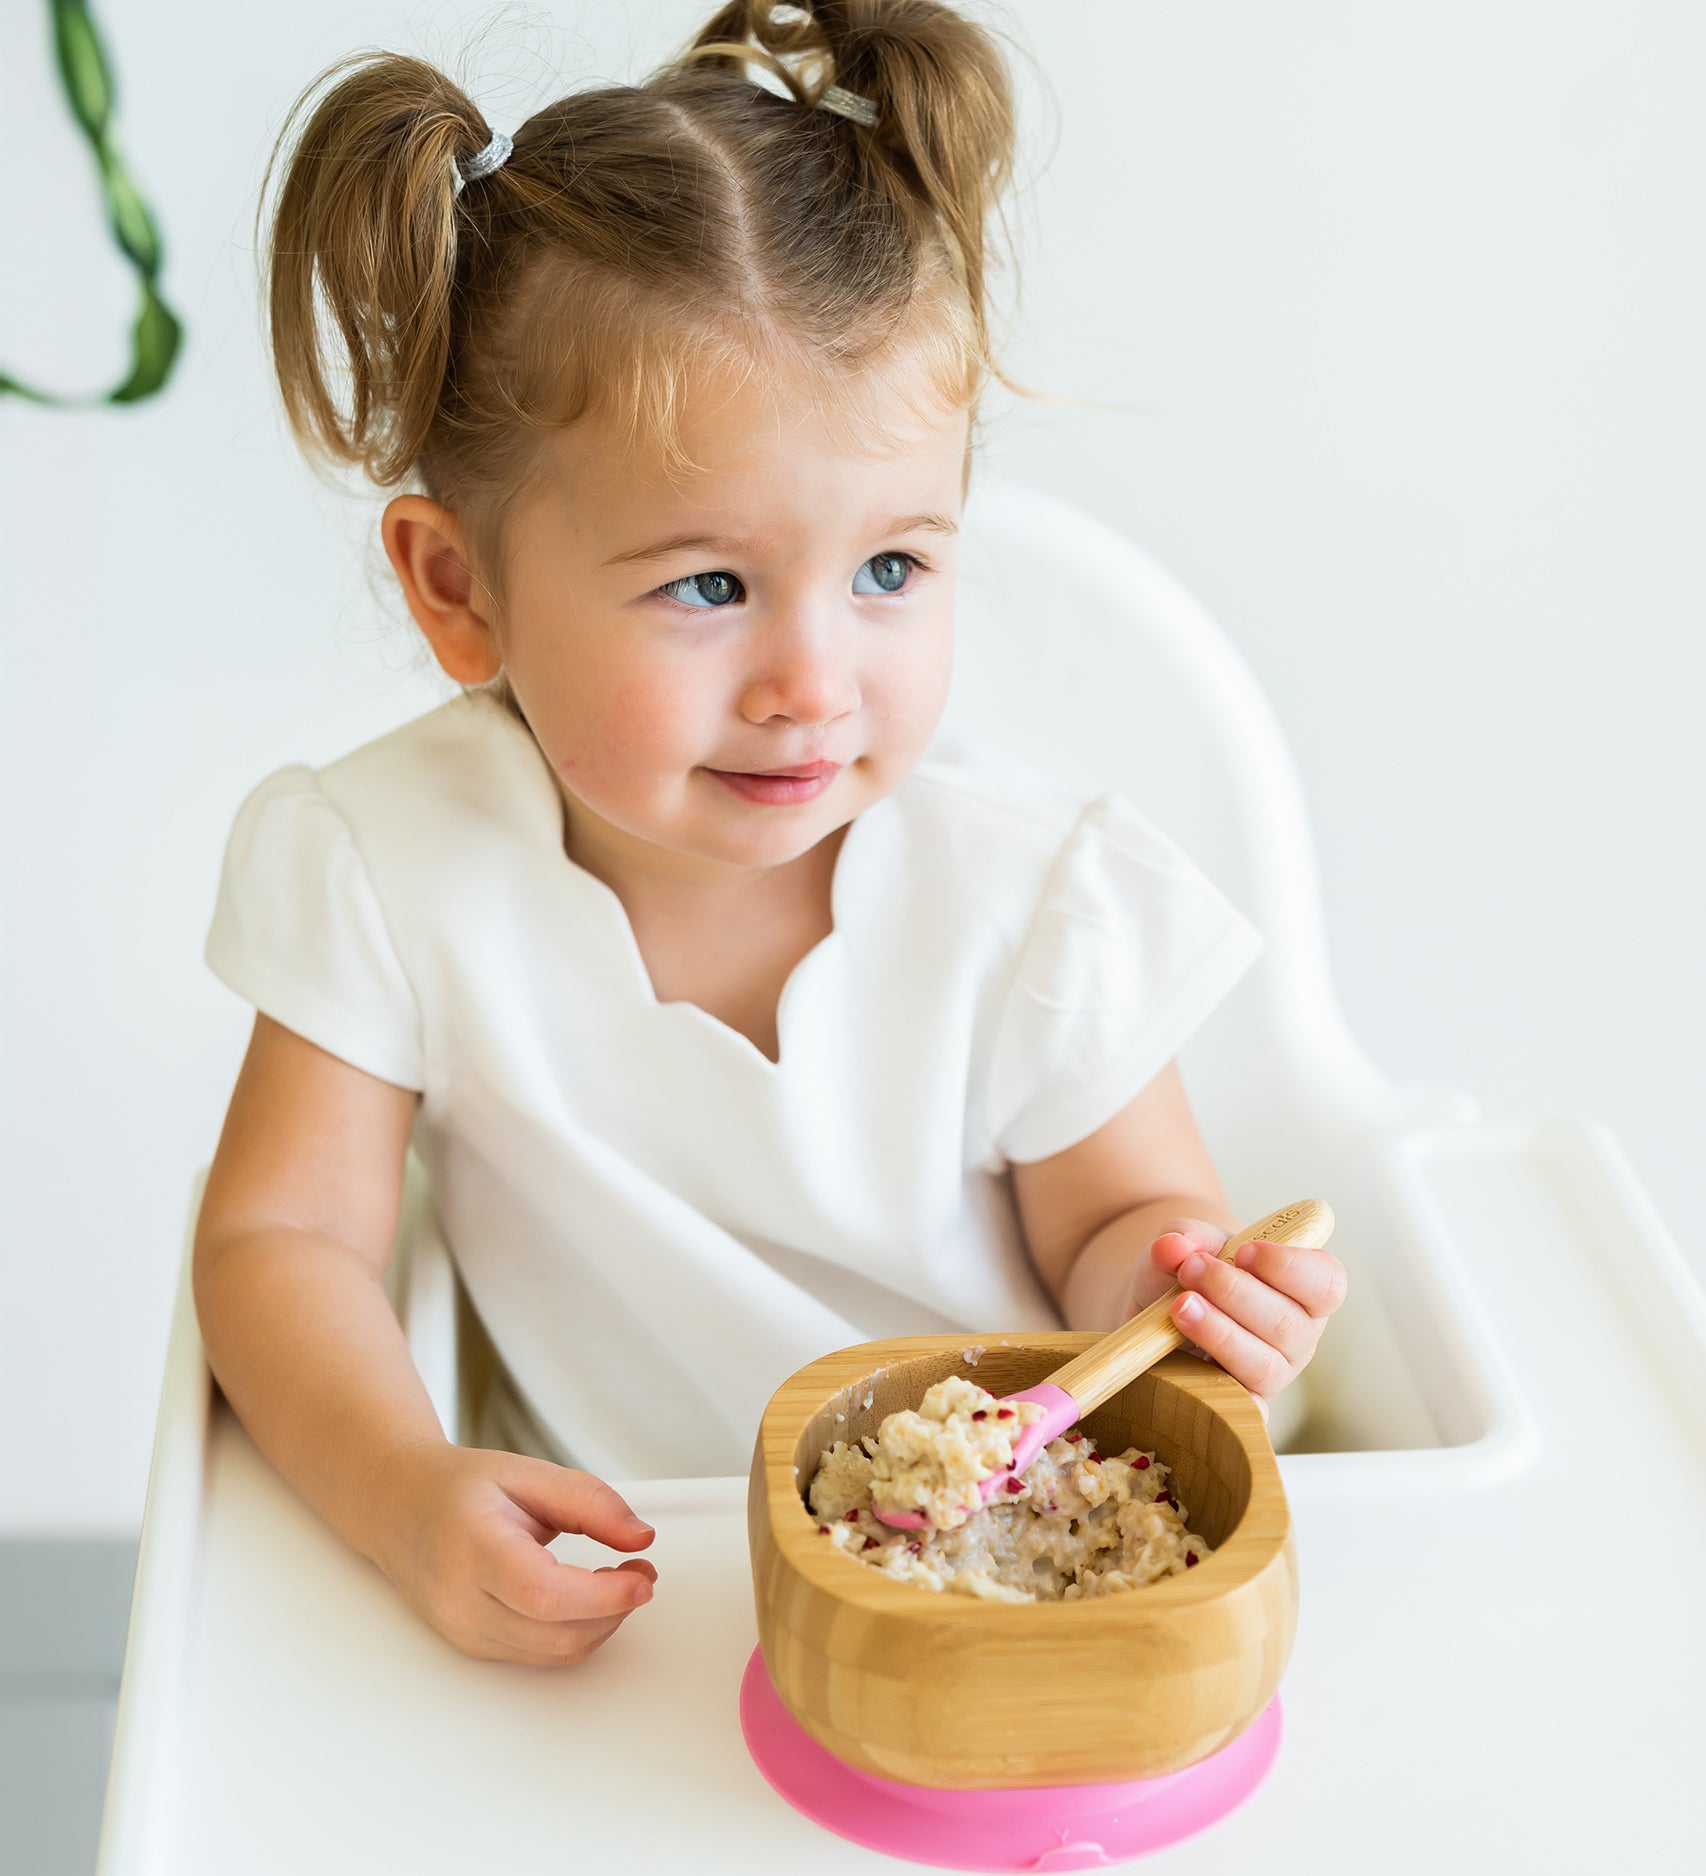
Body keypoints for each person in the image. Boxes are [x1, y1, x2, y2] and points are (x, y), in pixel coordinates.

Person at [194, 0, 1347, 1670]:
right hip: (632, 1575)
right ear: (461, 590)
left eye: (892, 570)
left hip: (1013, 1573)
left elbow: (1116, 1224)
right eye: (708, 587)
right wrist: (399, 1488)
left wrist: (1186, 1308)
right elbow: (279, 1242)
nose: (813, 683)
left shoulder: (1029, 901)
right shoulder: (381, 868)